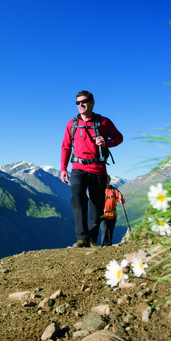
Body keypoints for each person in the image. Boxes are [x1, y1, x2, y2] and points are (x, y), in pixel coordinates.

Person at [60, 91, 123, 248]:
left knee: (96, 204)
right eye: (78, 102)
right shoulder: (71, 124)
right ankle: (82, 238)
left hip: (98, 169)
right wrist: (63, 168)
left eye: (84, 101)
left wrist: (107, 142)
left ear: (92, 102)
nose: (80, 104)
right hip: (78, 168)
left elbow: (119, 137)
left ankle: (93, 239)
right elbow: (66, 147)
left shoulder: (103, 122)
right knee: (78, 196)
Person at [100, 175, 125, 246]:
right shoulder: (100, 190)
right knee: (104, 231)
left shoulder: (114, 190)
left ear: (109, 180)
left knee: (110, 233)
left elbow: (122, 201)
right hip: (103, 215)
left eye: (107, 180)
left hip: (113, 215)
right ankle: (103, 248)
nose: (106, 181)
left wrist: (121, 199)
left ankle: (108, 248)